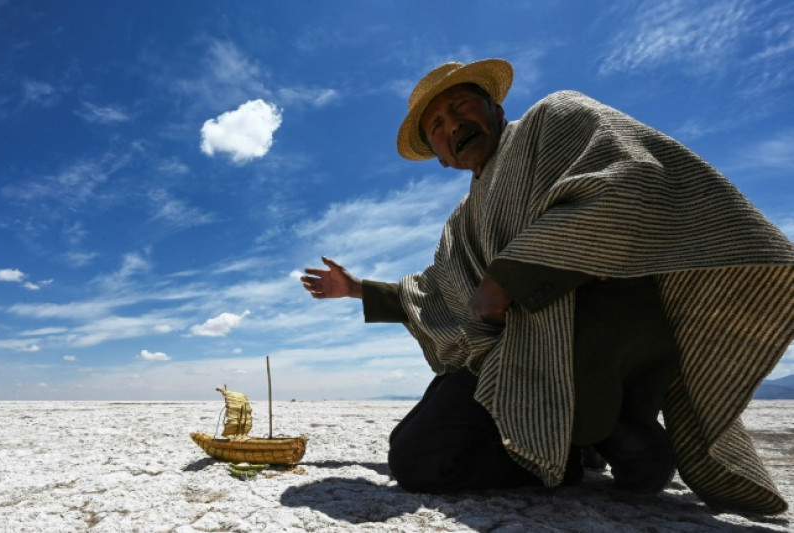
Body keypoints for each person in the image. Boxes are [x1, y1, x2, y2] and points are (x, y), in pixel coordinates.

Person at [301, 59, 794, 514]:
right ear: (440, 157)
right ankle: (597, 443)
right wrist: (356, 289)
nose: (452, 125)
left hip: (599, 339)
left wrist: (511, 276)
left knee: (421, 459)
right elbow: (434, 292)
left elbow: (634, 179)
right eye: (436, 126)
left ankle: (593, 440)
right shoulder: (461, 223)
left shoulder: (553, 120)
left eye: (461, 106)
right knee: (415, 439)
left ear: (496, 109)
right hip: (515, 354)